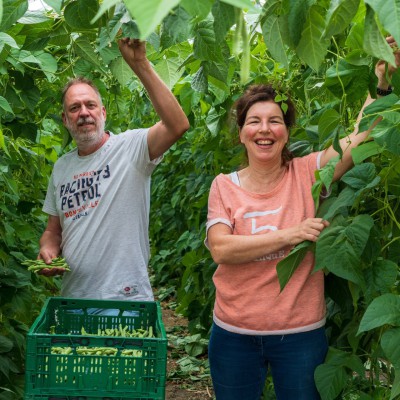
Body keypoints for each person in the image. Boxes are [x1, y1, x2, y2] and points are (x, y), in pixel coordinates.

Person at [205, 38, 399, 399]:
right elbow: (221, 249)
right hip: (233, 333)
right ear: (242, 133)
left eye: (275, 121)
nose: (264, 129)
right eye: (254, 122)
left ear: (287, 131)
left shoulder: (309, 172)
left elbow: (359, 138)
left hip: (300, 335)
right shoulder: (224, 186)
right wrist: (293, 233)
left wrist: (382, 80)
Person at [37, 38, 189, 304]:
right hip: (75, 299)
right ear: (65, 119)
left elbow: (177, 125)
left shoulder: (131, 148)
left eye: (90, 105)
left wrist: (139, 63)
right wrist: (48, 249)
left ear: (103, 112)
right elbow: (53, 230)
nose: (84, 112)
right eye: (74, 108)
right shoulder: (62, 167)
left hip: (127, 300)